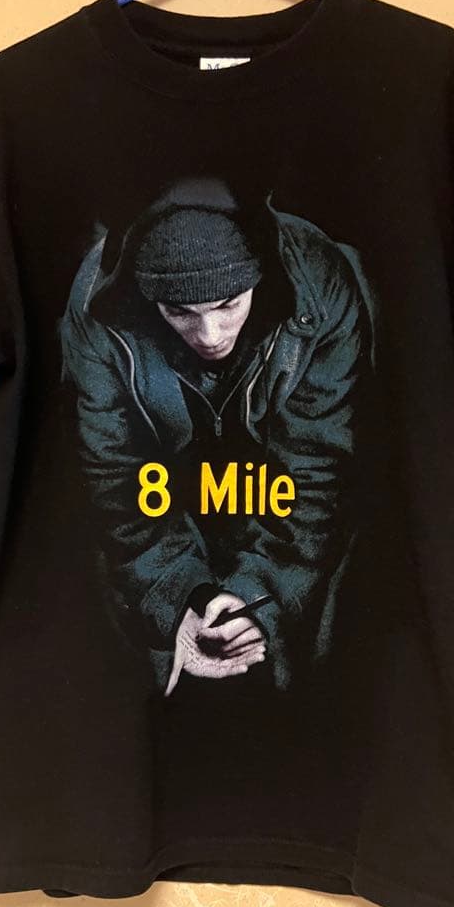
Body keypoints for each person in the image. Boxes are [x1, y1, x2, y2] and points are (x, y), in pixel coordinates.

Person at [58, 174, 377, 698]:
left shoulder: (318, 283)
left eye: (229, 303)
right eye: (179, 311)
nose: (209, 335)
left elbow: (317, 467)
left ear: (259, 282)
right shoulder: (97, 308)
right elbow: (114, 474)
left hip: (286, 500)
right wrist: (182, 600)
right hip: (165, 492)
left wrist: (259, 597)